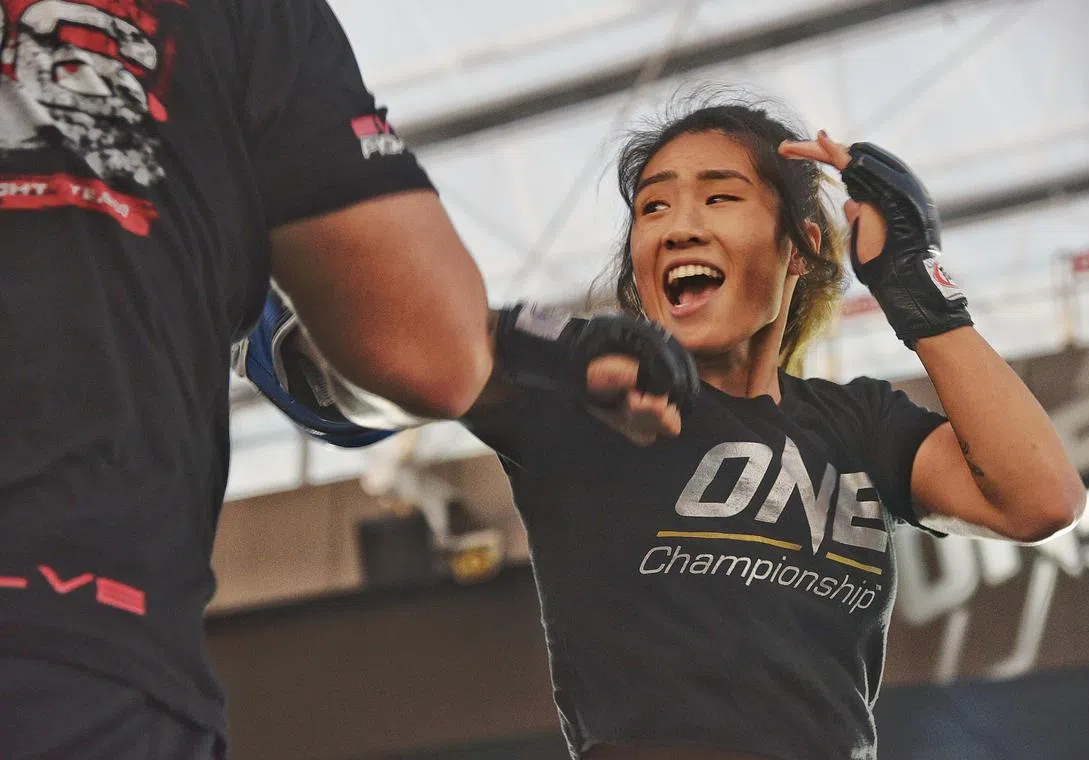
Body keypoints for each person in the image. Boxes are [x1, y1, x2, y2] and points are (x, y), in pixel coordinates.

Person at [252, 99, 1085, 759]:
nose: (679, 224)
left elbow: (1038, 497)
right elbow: (337, 376)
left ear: (800, 248)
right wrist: (534, 350)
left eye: (720, 196)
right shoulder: (586, 399)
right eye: (653, 208)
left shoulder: (857, 422)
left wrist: (918, 289)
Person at [0, 0, 693, 757]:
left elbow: (312, 362)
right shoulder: (242, 19)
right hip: (67, 649)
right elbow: (424, 354)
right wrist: (534, 347)